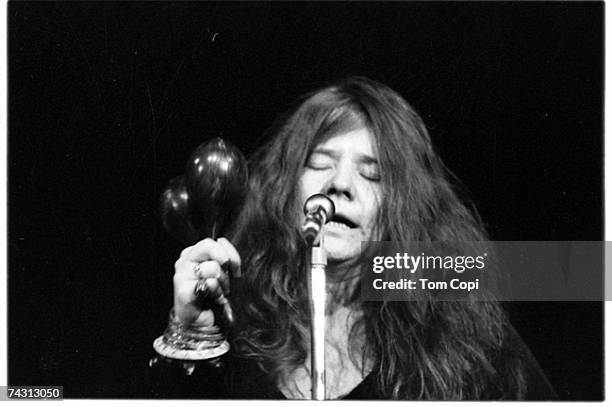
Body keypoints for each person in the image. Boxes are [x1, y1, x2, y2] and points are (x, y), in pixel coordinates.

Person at [167, 77, 556, 400]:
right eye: (320, 163)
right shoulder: (235, 309)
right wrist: (191, 335)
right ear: (285, 186)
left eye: (372, 175)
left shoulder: (457, 329)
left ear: (402, 206)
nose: (340, 185)